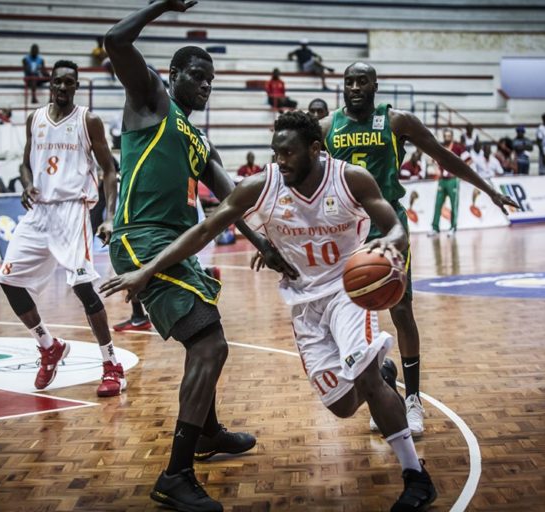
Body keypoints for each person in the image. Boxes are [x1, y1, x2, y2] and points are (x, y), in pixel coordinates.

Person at [101, 111, 439, 512]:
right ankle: (379, 375)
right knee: (342, 405)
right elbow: (205, 230)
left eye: (289, 152)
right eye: (275, 152)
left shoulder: (350, 179)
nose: (280, 161)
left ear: (316, 149)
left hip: (349, 292)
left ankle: (416, 477)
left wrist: (390, 245)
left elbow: (395, 225)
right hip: (303, 302)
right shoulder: (263, 186)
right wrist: (147, 270)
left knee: (365, 380)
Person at [103, 2, 296, 510]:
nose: (206, 83)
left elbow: (231, 201)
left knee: (208, 341)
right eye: (197, 74)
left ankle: (208, 433)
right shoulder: (150, 99)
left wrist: (266, 247)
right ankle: (175, 474)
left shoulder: (198, 137)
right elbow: (115, 42)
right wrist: (164, 5)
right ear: (173, 74)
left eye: (211, 78)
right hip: (139, 238)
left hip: (174, 245)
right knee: (210, 345)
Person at [320, 62, 516, 437]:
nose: (355, 87)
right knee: (348, 318)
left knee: (401, 308)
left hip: (387, 224)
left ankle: (412, 400)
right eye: (349, 82)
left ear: (376, 85)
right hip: (346, 228)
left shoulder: (397, 121)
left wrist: (489, 190)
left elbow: (443, 156)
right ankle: (382, 381)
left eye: (362, 81)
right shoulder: (328, 127)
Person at [0, 60, 125, 399]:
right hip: (38, 212)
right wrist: (26, 184)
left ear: (76, 86)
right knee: (8, 280)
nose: (63, 87)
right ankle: (48, 346)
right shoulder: (34, 118)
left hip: (72, 211)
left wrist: (108, 217)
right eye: (58, 82)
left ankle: (112, 365)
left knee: (84, 288)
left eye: (70, 82)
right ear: (50, 85)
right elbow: (25, 162)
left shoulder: (88, 120)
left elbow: (110, 172)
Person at [428, 129, 472, 237]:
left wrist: (461, 172)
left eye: (448, 136)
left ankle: (453, 227)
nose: (446, 138)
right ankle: (435, 228)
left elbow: (469, 159)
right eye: (445, 136)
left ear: (452, 137)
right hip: (442, 180)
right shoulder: (441, 147)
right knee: (438, 204)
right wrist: (436, 169)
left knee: (454, 204)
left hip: (453, 180)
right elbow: (432, 159)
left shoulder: (458, 148)